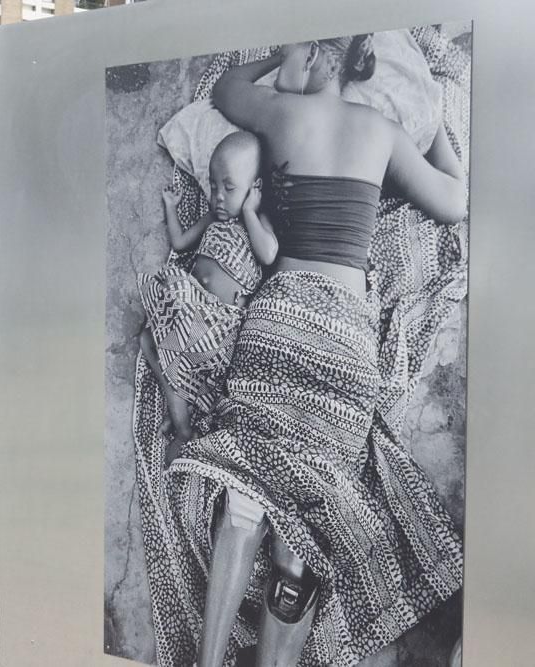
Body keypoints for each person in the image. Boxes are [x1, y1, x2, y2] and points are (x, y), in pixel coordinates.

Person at [171, 34, 467, 667]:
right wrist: (434, 120)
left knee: (246, 498)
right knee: (303, 526)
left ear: (325, 60)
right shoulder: (382, 129)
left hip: (282, 319)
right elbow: (453, 201)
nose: (287, 67)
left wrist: (273, 64)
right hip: (344, 339)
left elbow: (225, 91)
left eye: (300, 55)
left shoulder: (283, 113)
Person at [138, 131, 277, 466]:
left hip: (218, 324)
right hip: (190, 311)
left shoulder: (257, 222)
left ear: (254, 187)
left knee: (170, 310)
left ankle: (183, 417)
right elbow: (181, 242)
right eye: (213, 185)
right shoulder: (213, 218)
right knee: (147, 338)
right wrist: (172, 208)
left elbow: (269, 254)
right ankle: (180, 409)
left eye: (229, 188)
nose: (217, 196)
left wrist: (249, 212)